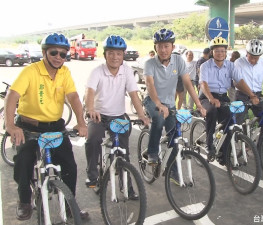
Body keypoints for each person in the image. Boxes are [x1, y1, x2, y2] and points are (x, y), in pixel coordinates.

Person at [4, 33, 89, 221]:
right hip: (29, 125)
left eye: (63, 54)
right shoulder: (31, 71)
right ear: (44, 53)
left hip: (55, 126)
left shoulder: (65, 72)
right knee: (23, 162)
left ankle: (69, 205)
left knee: (70, 166)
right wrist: (11, 125)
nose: (59, 57)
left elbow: (73, 97)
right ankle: (24, 200)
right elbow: (12, 96)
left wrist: (81, 122)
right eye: (54, 52)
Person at [84, 35, 149, 194]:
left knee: (123, 151)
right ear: (105, 54)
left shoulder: (127, 71)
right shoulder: (97, 71)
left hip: (118, 116)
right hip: (98, 115)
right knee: (93, 139)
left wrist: (142, 115)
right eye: (111, 53)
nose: (115, 57)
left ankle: (126, 185)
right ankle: (93, 175)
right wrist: (91, 109)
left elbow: (134, 94)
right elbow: (89, 92)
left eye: (118, 54)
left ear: (123, 55)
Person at [143, 28, 206, 168]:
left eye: (166, 46)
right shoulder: (150, 64)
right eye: (160, 46)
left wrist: (199, 104)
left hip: (170, 104)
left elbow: (188, 83)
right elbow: (150, 84)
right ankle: (152, 152)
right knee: (158, 118)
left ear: (173, 47)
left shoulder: (178, 60)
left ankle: (173, 171)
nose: (163, 50)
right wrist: (159, 104)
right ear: (155, 47)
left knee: (174, 138)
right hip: (152, 100)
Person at [199, 37, 259, 163]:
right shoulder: (205, 66)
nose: (220, 53)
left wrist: (252, 95)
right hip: (207, 96)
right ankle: (209, 144)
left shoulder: (231, 66)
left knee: (230, 122)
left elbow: (240, 81)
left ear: (226, 52)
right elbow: (203, 84)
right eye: (217, 51)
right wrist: (211, 98)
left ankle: (223, 154)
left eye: (222, 51)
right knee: (212, 111)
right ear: (212, 52)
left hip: (223, 96)